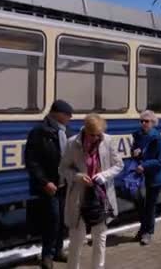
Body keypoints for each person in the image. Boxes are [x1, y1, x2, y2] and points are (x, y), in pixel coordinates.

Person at [59, 114, 123, 269]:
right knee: (76, 240)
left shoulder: (108, 141)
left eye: (98, 135)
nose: (95, 138)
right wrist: (77, 176)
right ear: (85, 131)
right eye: (92, 135)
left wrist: (104, 175)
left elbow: (119, 165)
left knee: (100, 238)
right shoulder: (72, 143)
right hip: (79, 197)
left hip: (101, 196)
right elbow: (63, 168)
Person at [24, 100, 73, 269]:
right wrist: (45, 182)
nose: (69, 118)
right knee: (51, 220)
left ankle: (58, 251)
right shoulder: (39, 132)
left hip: (65, 184)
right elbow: (32, 162)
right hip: (49, 186)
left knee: (62, 219)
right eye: (67, 115)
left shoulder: (65, 132)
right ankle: (47, 256)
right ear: (56, 113)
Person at [133, 110, 161, 245]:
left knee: (149, 206)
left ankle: (147, 232)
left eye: (146, 121)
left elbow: (160, 161)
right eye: (141, 121)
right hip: (139, 176)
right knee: (141, 205)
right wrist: (135, 153)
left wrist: (145, 165)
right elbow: (135, 152)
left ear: (153, 123)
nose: (143, 123)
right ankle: (143, 229)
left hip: (155, 178)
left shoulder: (159, 139)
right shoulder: (138, 135)